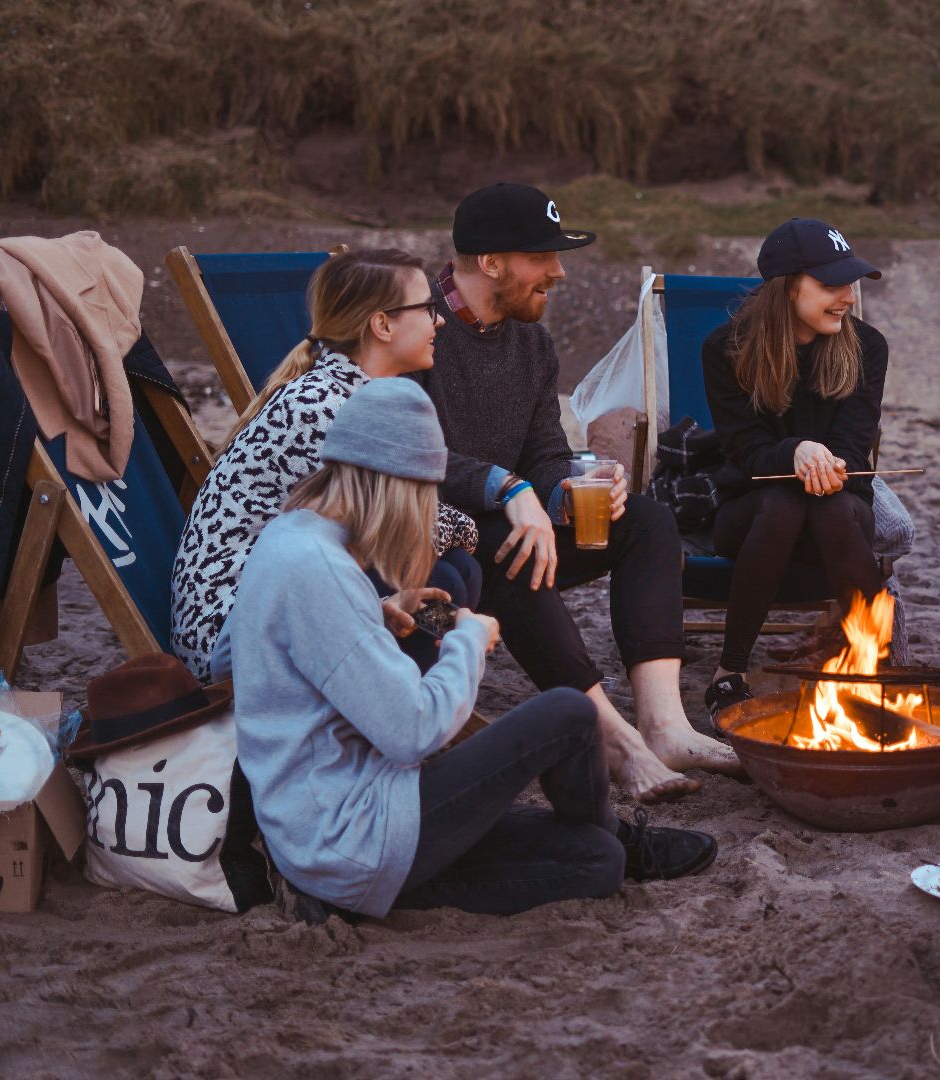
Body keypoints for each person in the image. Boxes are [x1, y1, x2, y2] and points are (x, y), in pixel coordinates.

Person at [224, 380, 718, 920]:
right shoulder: (318, 569)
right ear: (394, 483)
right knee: (569, 714)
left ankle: (611, 842)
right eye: (423, 495)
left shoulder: (291, 538)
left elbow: (279, 654)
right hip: (353, 833)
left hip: (337, 834)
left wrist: (377, 613)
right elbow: (412, 731)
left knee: (594, 862)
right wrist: (468, 641)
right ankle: (617, 832)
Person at [411, 182, 740, 802]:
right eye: (544, 258)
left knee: (647, 520)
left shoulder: (531, 342)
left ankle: (665, 725)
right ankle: (614, 742)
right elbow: (408, 452)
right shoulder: (414, 326)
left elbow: (544, 450)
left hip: (518, 519)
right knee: (513, 547)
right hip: (437, 539)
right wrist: (510, 490)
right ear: (491, 262)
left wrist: (570, 486)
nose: (559, 273)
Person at [170, 248, 482, 681]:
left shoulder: (342, 392)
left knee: (453, 572)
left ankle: (401, 700)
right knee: (444, 570)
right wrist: (473, 521)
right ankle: (395, 708)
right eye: (428, 308)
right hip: (232, 637)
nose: (440, 320)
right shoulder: (322, 408)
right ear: (382, 324)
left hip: (280, 600)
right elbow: (403, 529)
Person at [698, 218, 888, 720]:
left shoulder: (867, 347)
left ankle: (871, 665)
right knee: (784, 502)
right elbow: (746, 452)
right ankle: (730, 672)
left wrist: (828, 463)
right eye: (831, 285)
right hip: (752, 514)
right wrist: (794, 451)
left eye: (849, 283)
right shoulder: (726, 350)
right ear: (786, 289)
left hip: (839, 514)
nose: (847, 296)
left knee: (827, 505)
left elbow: (853, 445)